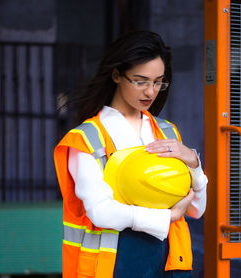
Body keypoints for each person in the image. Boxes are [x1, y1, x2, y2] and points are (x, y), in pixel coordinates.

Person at [54, 30, 208, 278]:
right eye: (141, 81)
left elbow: (196, 210)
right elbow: (101, 212)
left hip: (172, 262)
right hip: (114, 263)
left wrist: (194, 164)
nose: (151, 92)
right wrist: (166, 216)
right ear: (116, 75)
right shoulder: (87, 138)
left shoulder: (167, 131)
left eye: (158, 81)